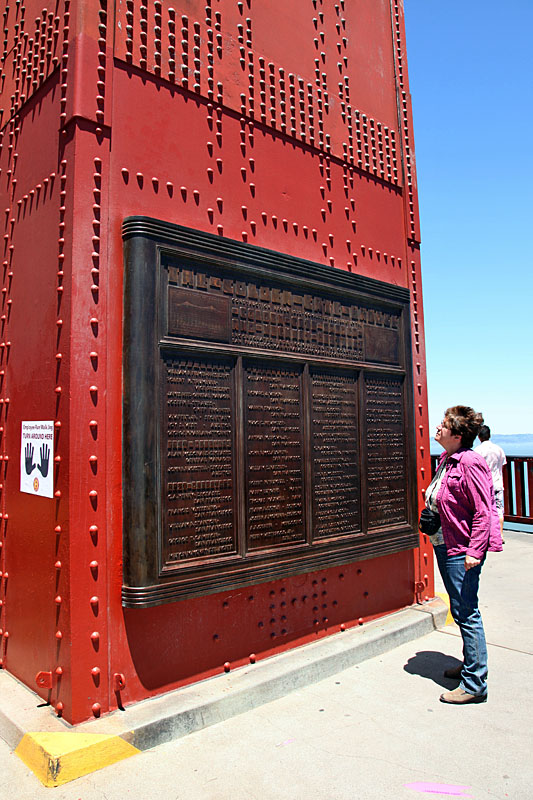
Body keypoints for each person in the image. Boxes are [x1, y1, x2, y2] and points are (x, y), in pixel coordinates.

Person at [424, 406, 502, 705]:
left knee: (467, 612)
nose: (438, 428)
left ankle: (474, 683)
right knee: (459, 609)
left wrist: (475, 550)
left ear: (457, 435)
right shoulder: (447, 459)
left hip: (461, 549)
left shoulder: (471, 462)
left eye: (444, 426)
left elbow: (485, 510)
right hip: (445, 544)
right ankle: (470, 663)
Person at [475, 425, 507, 538]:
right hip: (497, 483)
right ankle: (500, 534)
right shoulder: (499, 449)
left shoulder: (478, 451)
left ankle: (487, 535)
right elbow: (502, 465)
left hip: (484, 484)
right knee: (499, 508)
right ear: (490, 435)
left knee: (484, 509)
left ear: (479, 437)